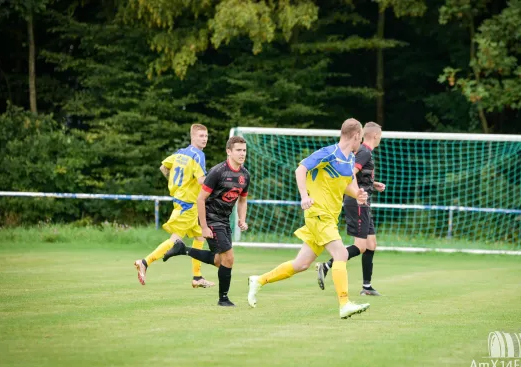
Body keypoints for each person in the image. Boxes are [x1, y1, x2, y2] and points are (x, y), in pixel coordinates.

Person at [247, 118, 371, 319]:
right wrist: (304, 196)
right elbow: (301, 169)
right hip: (317, 213)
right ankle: (344, 303)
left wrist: (359, 194)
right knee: (341, 254)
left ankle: (259, 280)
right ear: (356, 135)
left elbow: (347, 186)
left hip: (329, 217)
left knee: (301, 264)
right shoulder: (328, 153)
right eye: (361, 138)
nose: (361, 142)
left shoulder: (349, 160)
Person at [162, 136, 250, 307]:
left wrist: (242, 219)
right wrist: (203, 226)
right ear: (229, 151)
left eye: (244, 150)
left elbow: (243, 200)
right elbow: (201, 199)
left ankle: (183, 249)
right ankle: (223, 299)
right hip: (210, 218)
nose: (242, 153)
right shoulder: (217, 172)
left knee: (219, 261)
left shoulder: (245, 175)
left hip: (224, 220)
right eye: (238, 150)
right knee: (229, 258)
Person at [134, 124, 214, 288]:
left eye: (206, 136)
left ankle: (197, 278)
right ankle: (144, 262)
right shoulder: (198, 155)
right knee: (176, 240)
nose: (204, 139)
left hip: (182, 201)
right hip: (188, 204)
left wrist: (178, 185)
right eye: (201, 136)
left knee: (199, 237)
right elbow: (201, 181)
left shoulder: (180, 153)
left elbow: (164, 167)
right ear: (193, 137)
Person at [315, 122, 385, 296]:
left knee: (371, 244)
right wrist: (358, 192)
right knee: (360, 246)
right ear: (376, 135)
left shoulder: (363, 152)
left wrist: (371, 184)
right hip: (358, 202)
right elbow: (349, 172)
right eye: (380, 135)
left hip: (363, 202)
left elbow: (357, 175)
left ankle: (367, 287)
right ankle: (327, 265)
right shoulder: (364, 151)